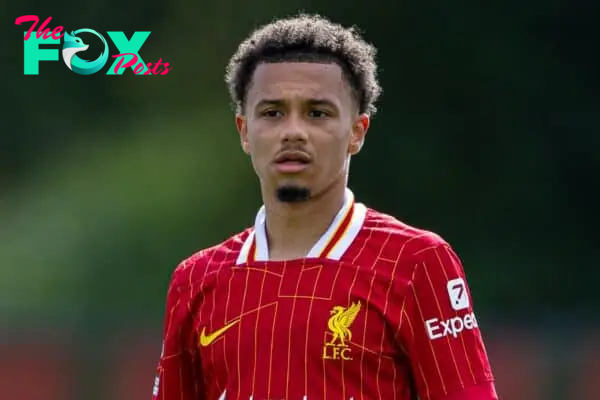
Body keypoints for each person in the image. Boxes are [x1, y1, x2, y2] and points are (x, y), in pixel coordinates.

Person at [151, 13, 497, 400]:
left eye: (317, 113)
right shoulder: (196, 280)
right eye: (272, 113)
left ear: (357, 132)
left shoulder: (416, 263)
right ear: (244, 131)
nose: (293, 131)